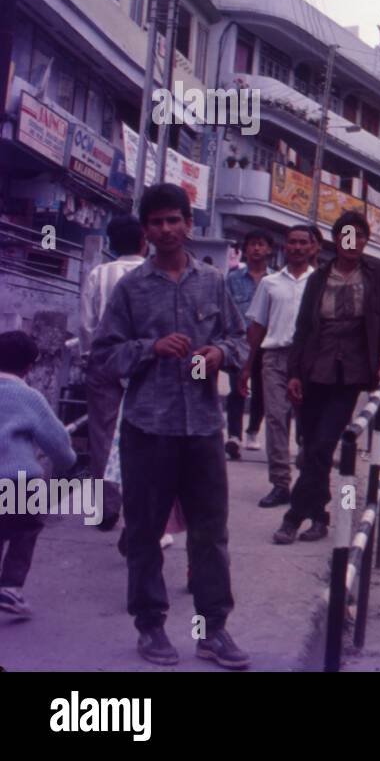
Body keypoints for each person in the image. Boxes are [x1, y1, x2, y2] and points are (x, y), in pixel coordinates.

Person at [90, 183, 250, 668]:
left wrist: (218, 353)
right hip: (147, 428)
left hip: (201, 427)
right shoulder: (131, 288)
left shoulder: (213, 282)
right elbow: (101, 357)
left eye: (173, 220)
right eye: (156, 222)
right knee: (143, 532)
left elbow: (240, 342)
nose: (166, 229)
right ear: (146, 230)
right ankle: (151, 627)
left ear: (189, 223)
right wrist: (148, 349)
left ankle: (212, 630)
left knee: (210, 534)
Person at [276, 211, 380, 546]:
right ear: (336, 240)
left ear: (365, 241)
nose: (353, 242)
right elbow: (303, 328)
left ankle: (292, 517)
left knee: (322, 446)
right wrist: (294, 374)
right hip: (316, 368)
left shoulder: (378, 275)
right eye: (346, 235)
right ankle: (320, 516)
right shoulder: (319, 277)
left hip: (352, 372)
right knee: (310, 446)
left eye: (359, 236)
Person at [240, 224, 320, 509]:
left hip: (309, 360)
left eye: (303, 243)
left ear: (312, 247)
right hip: (274, 358)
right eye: (292, 242)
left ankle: (309, 482)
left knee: (309, 422)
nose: (297, 247)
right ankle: (280, 483)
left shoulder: (320, 283)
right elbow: (257, 327)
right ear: (285, 247)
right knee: (275, 419)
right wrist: (248, 367)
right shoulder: (270, 283)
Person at [0, 331, 77, 619]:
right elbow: (57, 442)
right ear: (29, 367)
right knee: (25, 528)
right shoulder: (30, 398)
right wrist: (67, 462)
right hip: (21, 483)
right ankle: (10, 586)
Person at [80, 215, 149, 532]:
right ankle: (143, 504)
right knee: (146, 433)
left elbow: (87, 324)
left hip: (105, 361)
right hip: (146, 362)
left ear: (110, 244)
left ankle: (106, 508)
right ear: (143, 241)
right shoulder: (154, 274)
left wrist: (87, 357)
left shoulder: (99, 273)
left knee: (102, 436)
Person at [223, 230, 273, 461]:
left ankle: (253, 431)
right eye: (252, 244)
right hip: (239, 343)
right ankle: (234, 436)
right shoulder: (232, 279)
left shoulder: (274, 280)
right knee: (237, 388)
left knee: (262, 391)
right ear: (245, 250)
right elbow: (225, 309)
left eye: (260, 244)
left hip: (267, 344)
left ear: (268, 250)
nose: (256, 249)